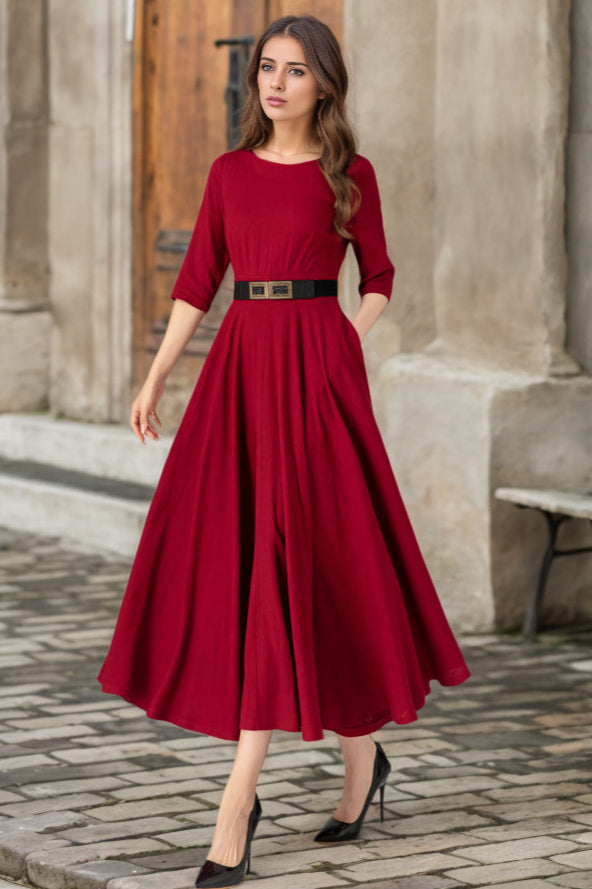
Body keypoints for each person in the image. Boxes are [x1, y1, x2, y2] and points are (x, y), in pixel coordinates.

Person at [97, 13, 471, 889]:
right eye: (267, 68)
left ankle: (236, 808)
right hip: (241, 372)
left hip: (318, 376)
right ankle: (362, 761)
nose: (274, 83)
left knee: (311, 561)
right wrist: (155, 379)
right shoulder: (228, 174)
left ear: (324, 86)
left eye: (294, 71)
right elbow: (199, 283)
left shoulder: (350, 175)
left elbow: (378, 274)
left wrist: (346, 334)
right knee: (270, 564)